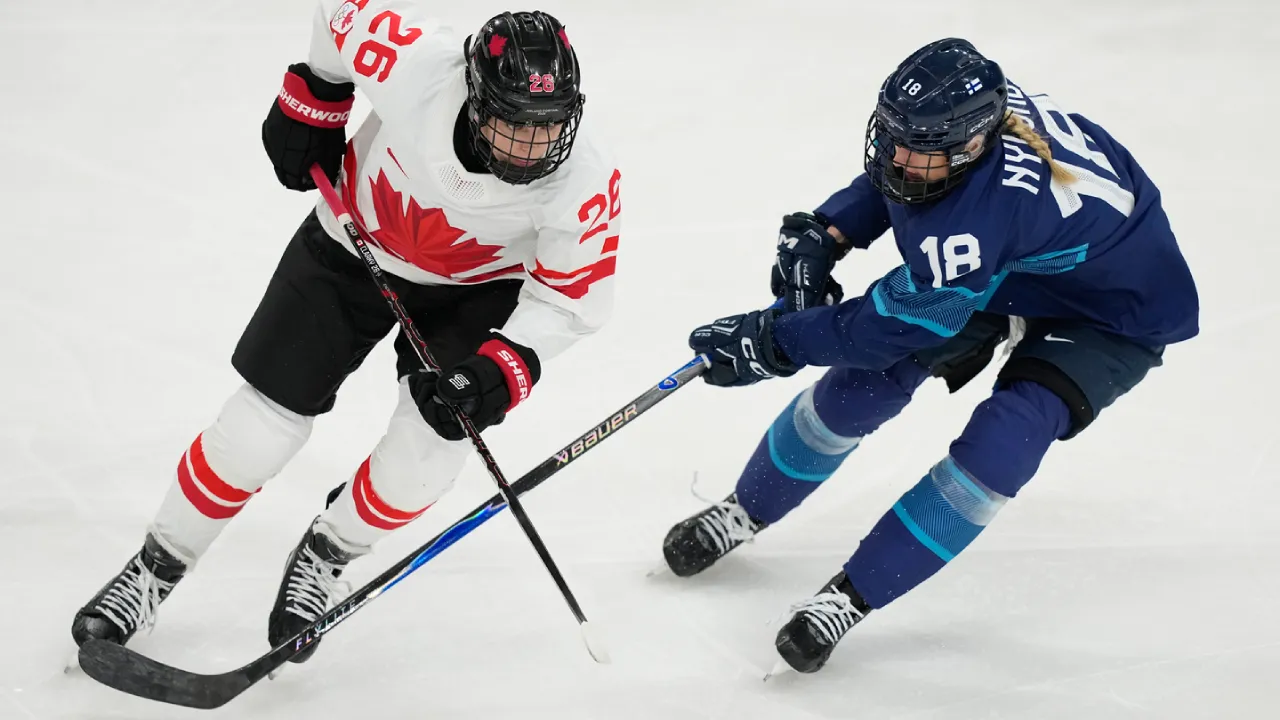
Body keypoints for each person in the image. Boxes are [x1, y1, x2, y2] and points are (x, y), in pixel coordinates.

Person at [71, 2, 621, 665]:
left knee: (427, 457)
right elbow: (340, 17)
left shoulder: (584, 180)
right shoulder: (419, 66)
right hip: (348, 247)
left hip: (474, 294)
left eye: (546, 127)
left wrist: (501, 368)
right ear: (474, 96)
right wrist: (315, 98)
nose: (531, 147)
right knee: (256, 430)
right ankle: (156, 567)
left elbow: (569, 298)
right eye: (511, 123)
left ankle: (329, 550)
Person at [662, 37, 1198, 675]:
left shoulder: (972, 227)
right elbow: (903, 179)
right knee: (859, 392)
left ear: (971, 146)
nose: (896, 156)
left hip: (1111, 311)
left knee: (1006, 439)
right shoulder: (961, 131)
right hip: (1016, 266)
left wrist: (776, 342)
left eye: (915, 149)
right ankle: (745, 508)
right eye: (889, 136)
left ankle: (849, 597)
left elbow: (882, 328)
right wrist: (828, 231)